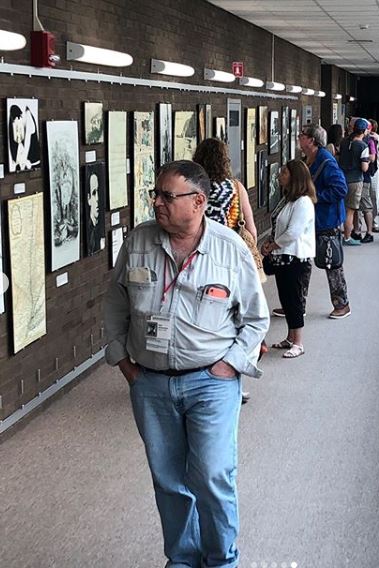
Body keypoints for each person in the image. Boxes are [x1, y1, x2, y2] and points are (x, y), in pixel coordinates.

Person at [104, 160, 269, 568]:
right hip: (151, 383)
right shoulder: (139, 241)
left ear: (197, 202)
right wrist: (123, 361)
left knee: (212, 477)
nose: (156, 202)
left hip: (210, 382)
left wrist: (229, 367)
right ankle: (182, 557)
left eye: (166, 196)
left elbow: (256, 319)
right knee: (168, 480)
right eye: (155, 194)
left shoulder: (230, 248)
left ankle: (221, 560)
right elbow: (115, 302)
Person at [193, 138, 260, 403]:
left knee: (203, 314)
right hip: (230, 260)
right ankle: (234, 378)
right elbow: (251, 230)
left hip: (200, 259)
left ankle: (199, 368)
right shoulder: (235, 188)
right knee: (235, 317)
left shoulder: (195, 188)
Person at [261, 160, 316, 358]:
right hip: (283, 257)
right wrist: (269, 243)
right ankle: (290, 337)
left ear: (294, 177)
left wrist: (272, 245)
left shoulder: (303, 202)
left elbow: (293, 232)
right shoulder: (288, 200)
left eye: (283, 173)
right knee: (286, 298)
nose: (279, 176)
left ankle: (298, 343)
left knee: (294, 300)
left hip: (295, 258)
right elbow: (278, 226)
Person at [300, 124, 352, 319]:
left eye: (302, 135)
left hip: (326, 221)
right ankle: (298, 305)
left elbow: (341, 189)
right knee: (302, 262)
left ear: (312, 140)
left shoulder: (326, 162)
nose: (299, 137)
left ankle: (342, 304)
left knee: (331, 262)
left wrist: (315, 196)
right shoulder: (309, 159)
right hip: (310, 220)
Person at [338, 118, 371, 245]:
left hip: (341, 179)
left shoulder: (344, 142)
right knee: (350, 211)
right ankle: (347, 237)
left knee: (340, 208)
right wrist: (367, 162)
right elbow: (364, 167)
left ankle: (338, 234)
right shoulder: (363, 146)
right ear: (363, 131)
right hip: (355, 180)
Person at [85, 171, 105, 255]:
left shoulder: (101, 228)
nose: (97, 198)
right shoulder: (89, 230)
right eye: (94, 193)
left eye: (98, 191)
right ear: (89, 199)